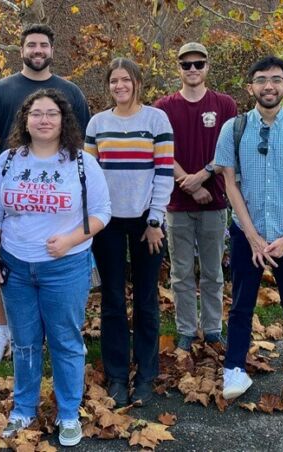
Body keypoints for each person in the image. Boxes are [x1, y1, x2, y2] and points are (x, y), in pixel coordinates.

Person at [0, 89, 110, 446]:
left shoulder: (82, 163)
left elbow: (103, 211)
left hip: (66, 267)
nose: (43, 120)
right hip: (16, 267)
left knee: (65, 341)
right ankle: (24, 408)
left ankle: (68, 413)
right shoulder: (9, 160)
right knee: (24, 342)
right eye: (36, 113)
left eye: (51, 114)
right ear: (25, 120)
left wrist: (71, 239)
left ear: (63, 120)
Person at [214, 56, 283, 417]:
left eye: (276, 80)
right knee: (241, 306)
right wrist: (251, 235)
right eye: (261, 79)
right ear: (251, 87)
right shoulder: (234, 128)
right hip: (247, 234)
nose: (268, 86)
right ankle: (234, 369)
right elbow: (230, 184)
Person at [0, 23, 91, 366]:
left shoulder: (69, 92)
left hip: (59, 194)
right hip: (14, 188)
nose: (37, 50)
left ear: (52, 50)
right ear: (22, 50)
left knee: (68, 263)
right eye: (31, 45)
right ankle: (2, 329)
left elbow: (83, 145)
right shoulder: (0, 91)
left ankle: (67, 334)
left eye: (43, 44)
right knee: (3, 258)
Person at [85, 57, 174, 407]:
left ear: (137, 82)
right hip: (107, 222)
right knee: (112, 300)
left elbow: (164, 173)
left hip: (145, 223)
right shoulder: (98, 123)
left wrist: (155, 220)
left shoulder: (156, 120)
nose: (119, 86)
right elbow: (89, 175)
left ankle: (147, 376)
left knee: (146, 299)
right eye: (114, 81)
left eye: (126, 80)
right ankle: (117, 375)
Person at [154, 42, 237, 350]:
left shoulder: (225, 104)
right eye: (186, 64)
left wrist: (202, 176)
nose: (192, 70)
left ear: (207, 67)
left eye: (198, 64)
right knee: (181, 273)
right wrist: (186, 182)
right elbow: (161, 150)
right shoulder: (163, 107)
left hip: (214, 202)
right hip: (176, 205)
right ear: (178, 68)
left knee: (213, 273)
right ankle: (187, 331)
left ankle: (213, 329)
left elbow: (228, 149)